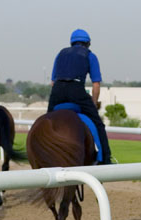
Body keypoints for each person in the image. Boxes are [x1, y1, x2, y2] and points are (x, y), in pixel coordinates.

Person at [47, 28, 112, 164]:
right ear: (88, 43)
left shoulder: (60, 54)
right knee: (98, 124)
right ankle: (105, 159)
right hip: (76, 90)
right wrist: (94, 103)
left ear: (72, 43)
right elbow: (96, 84)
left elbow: (53, 82)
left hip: (57, 91)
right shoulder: (90, 55)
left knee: (47, 121)